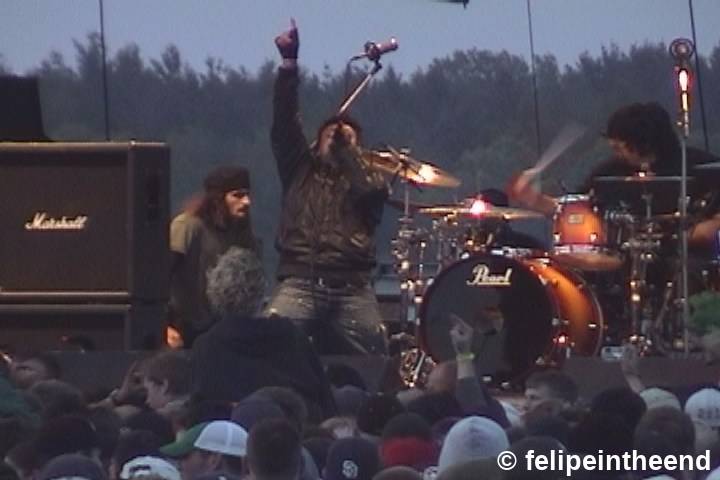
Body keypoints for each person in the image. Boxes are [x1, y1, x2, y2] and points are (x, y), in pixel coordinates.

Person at [266, 19, 389, 355]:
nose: (337, 138)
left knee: (375, 352)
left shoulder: (368, 177)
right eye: (332, 135)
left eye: (347, 136)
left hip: (352, 287)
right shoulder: (300, 169)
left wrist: (348, 154)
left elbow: (373, 193)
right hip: (301, 281)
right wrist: (288, 65)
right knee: (270, 341)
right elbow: (284, 123)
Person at [508, 102, 720, 249]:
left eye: (619, 147)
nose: (615, 154)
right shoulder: (609, 172)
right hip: (626, 263)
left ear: (642, 144)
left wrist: (707, 228)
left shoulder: (697, 166)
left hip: (691, 263)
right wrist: (532, 198)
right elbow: (575, 208)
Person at [191, 247, 337, 419]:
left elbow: (198, 413)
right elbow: (326, 405)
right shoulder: (293, 338)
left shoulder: (206, 347)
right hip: (293, 430)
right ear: (263, 290)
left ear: (214, 293)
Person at [169, 165, 257, 347]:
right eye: (238, 195)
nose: (246, 201)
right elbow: (159, 277)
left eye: (248, 195)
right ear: (218, 199)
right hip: (182, 329)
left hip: (221, 330)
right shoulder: (188, 227)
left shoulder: (243, 237)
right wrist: (164, 325)